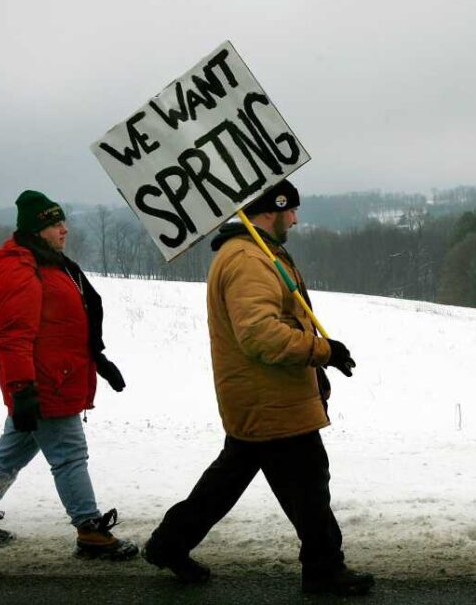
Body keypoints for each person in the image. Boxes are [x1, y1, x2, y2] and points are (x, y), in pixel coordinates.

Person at [143, 179, 374, 595]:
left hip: (263, 396)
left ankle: (169, 543)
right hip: (272, 400)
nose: (297, 219)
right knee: (308, 484)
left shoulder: (257, 254)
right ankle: (324, 570)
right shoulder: (249, 260)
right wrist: (322, 350)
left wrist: (323, 354)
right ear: (273, 208)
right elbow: (260, 334)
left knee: (226, 482)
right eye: (292, 211)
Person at [0, 189, 137, 561]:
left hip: (56, 376)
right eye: (55, 223)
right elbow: (14, 335)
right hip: (43, 383)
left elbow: (64, 325)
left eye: (62, 221)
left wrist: (97, 359)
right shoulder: (19, 269)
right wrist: (21, 389)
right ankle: (90, 529)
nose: (64, 229)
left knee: (15, 448)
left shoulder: (50, 264)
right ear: (37, 230)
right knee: (70, 454)